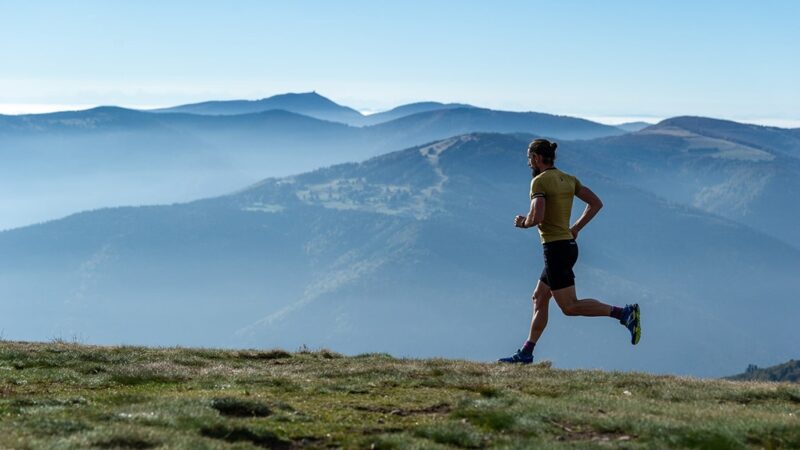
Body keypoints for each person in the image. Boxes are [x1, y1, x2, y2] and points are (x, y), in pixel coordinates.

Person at [499, 139, 641, 364]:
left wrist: (522, 222)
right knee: (539, 297)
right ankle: (526, 353)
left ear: (536, 158)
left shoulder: (539, 182)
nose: (529, 162)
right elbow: (596, 203)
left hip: (555, 250)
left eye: (529, 158)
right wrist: (576, 228)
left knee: (569, 306)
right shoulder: (568, 179)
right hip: (567, 247)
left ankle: (623, 313)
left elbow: (537, 217)